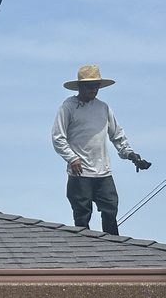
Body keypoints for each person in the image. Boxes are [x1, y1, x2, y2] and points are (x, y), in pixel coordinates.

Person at [51, 65, 150, 235]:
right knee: (82, 215)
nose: (93, 90)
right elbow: (58, 137)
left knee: (110, 209)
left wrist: (131, 155)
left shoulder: (103, 108)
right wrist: (72, 158)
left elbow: (117, 135)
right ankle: (84, 249)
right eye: (89, 86)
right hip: (80, 172)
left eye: (96, 86)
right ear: (80, 87)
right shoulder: (68, 107)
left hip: (103, 172)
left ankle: (114, 245)